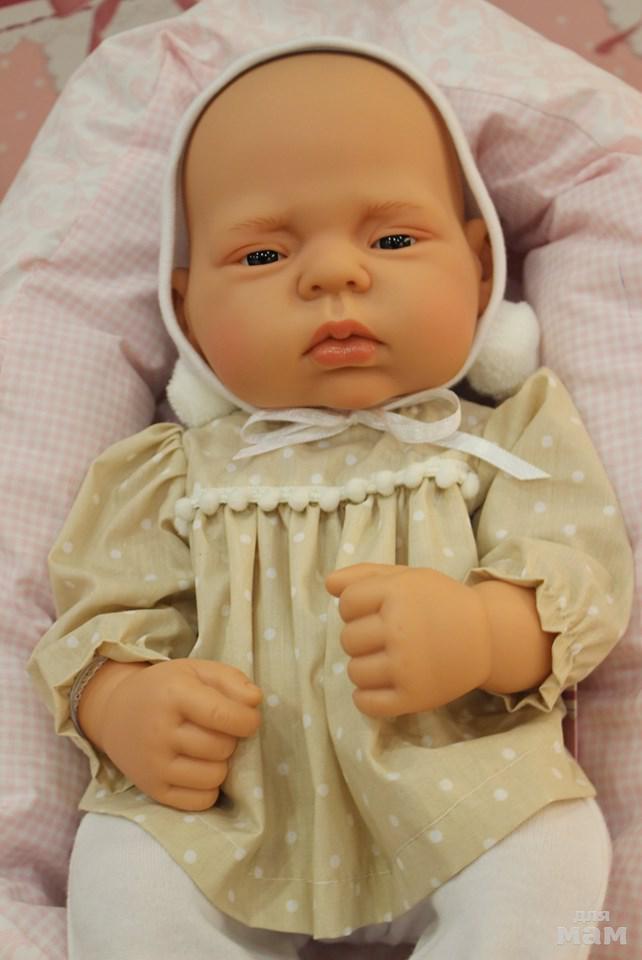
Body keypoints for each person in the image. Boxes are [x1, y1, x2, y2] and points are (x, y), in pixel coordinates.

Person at [28, 38, 633, 959]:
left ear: (480, 270)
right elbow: (95, 614)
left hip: (456, 785)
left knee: (554, 854)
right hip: (229, 806)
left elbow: (581, 577)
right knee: (121, 874)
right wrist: (123, 703)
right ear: (187, 315)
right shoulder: (170, 470)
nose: (333, 276)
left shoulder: (499, 439)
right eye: (264, 253)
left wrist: (483, 631)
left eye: (392, 240)